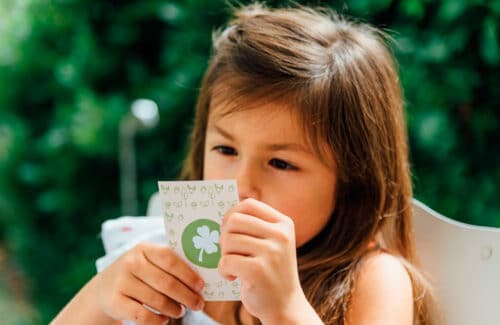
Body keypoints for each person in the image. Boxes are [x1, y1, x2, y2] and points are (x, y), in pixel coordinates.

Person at [52, 3, 439, 325]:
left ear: (353, 181)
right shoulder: (165, 256)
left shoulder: (372, 282)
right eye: (225, 150)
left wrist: (287, 310)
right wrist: (100, 298)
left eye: (281, 162)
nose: (241, 185)